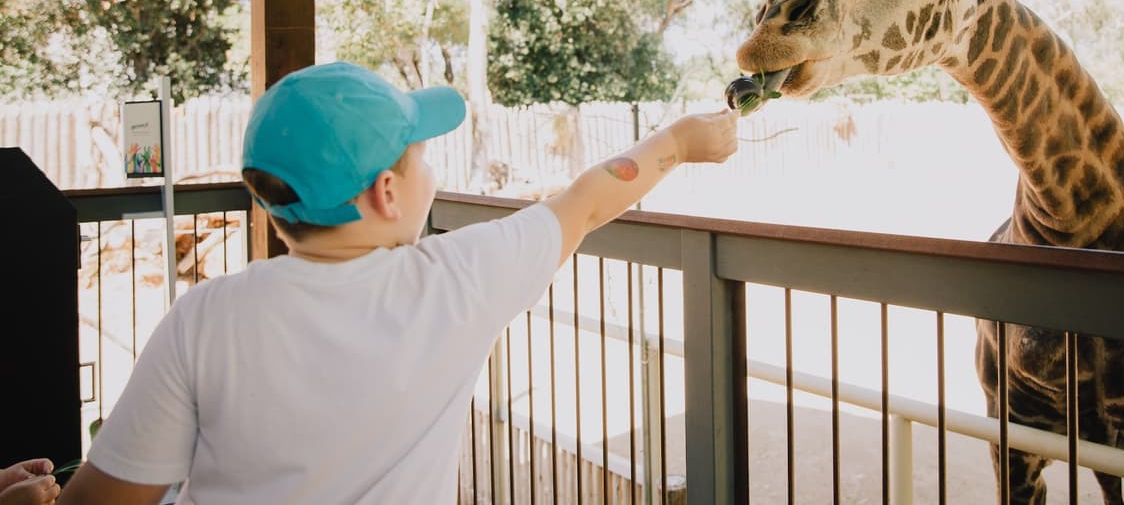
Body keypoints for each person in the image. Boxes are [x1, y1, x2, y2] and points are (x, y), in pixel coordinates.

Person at [59, 61, 739, 504]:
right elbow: (588, 201)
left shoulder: (203, 317)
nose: (431, 175)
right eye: (422, 159)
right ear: (388, 191)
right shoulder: (457, 282)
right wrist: (680, 142)